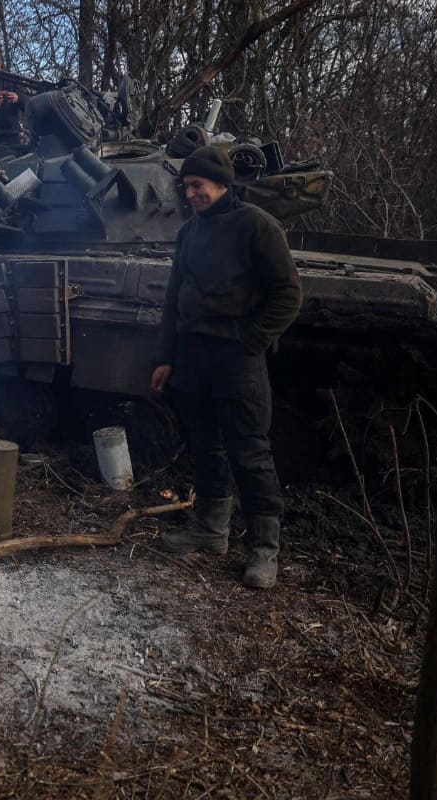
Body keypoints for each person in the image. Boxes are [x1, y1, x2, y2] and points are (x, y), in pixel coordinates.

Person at [150, 145, 302, 589]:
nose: (191, 193)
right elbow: (173, 301)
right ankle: (211, 530)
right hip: (194, 355)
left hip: (236, 356)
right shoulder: (189, 232)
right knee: (205, 443)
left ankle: (263, 550)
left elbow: (288, 294)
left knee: (249, 450)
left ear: (222, 183)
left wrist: (250, 342)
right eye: (187, 186)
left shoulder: (256, 226)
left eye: (198, 185)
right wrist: (166, 357)